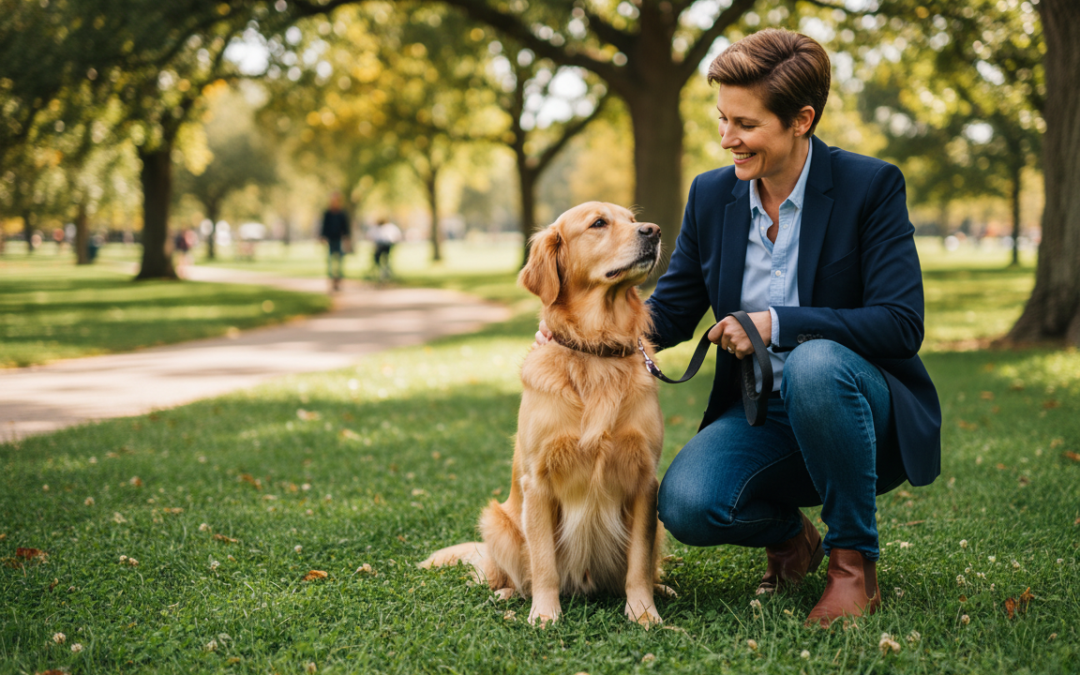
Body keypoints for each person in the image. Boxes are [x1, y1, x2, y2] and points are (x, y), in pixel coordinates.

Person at [537, 29, 940, 627]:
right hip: (760, 415)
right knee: (688, 504)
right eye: (722, 119)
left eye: (745, 124)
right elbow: (670, 311)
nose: (728, 139)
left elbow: (901, 324)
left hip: (856, 408)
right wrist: (571, 335)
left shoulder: (870, 186)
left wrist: (775, 324)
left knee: (814, 362)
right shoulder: (711, 195)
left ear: (801, 120)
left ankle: (853, 564)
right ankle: (792, 537)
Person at [320, 192, 351, 292]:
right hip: (330, 240)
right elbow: (324, 226)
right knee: (330, 261)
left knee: (340, 261)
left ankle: (338, 281)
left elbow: (345, 227)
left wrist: (346, 238)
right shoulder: (327, 213)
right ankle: (331, 280)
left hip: (339, 240)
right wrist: (323, 237)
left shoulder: (342, 213)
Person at [372, 218, 402, 282]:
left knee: (384, 259)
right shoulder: (380, 227)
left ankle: (384, 271)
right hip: (382, 244)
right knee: (381, 259)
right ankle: (382, 271)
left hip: (385, 244)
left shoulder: (388, 227)